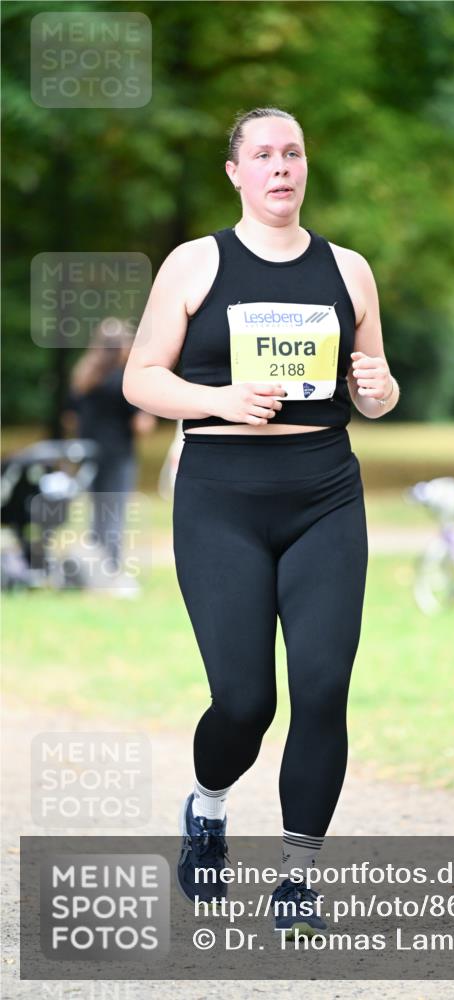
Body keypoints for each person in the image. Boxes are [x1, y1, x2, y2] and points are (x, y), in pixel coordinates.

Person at [122, 107, 400, 935]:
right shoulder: (195, 263)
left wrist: (379, 394)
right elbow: (141, 378)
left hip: (323, 492)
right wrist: (217, 400)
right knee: (245, 700)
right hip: (221, 494)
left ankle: (297, 882)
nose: (282, 167)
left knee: (322, 688)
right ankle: (206, 807)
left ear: (305, 168)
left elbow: (374, 388)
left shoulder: (348, 270)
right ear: (236, 172)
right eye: (265, 155)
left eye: (294, 154)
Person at [67, 317, 156, 590]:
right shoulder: (124, 381)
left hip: (88, 455)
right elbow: (142, 425)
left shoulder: (84, 376)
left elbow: (70, 417)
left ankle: (94, 571)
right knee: (115, 513)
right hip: (118, 454)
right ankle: (114, 575)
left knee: (96, 514)